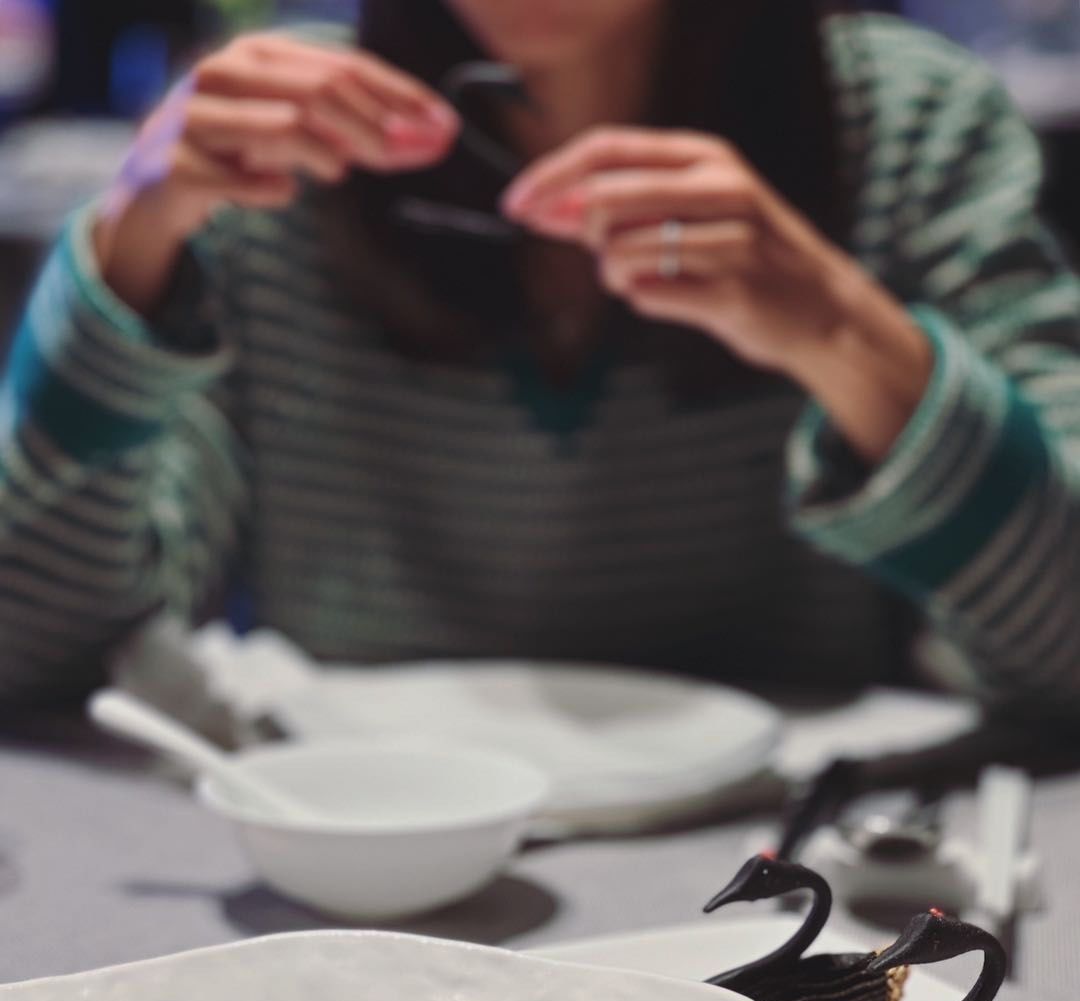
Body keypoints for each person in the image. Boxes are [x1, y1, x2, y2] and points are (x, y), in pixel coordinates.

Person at [2, 0, 1079, 712]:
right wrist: (131, 239)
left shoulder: (908, 125)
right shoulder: (278, 150)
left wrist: (844, 335)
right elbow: (33, 655)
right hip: (361, 883)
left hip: (779, 885)